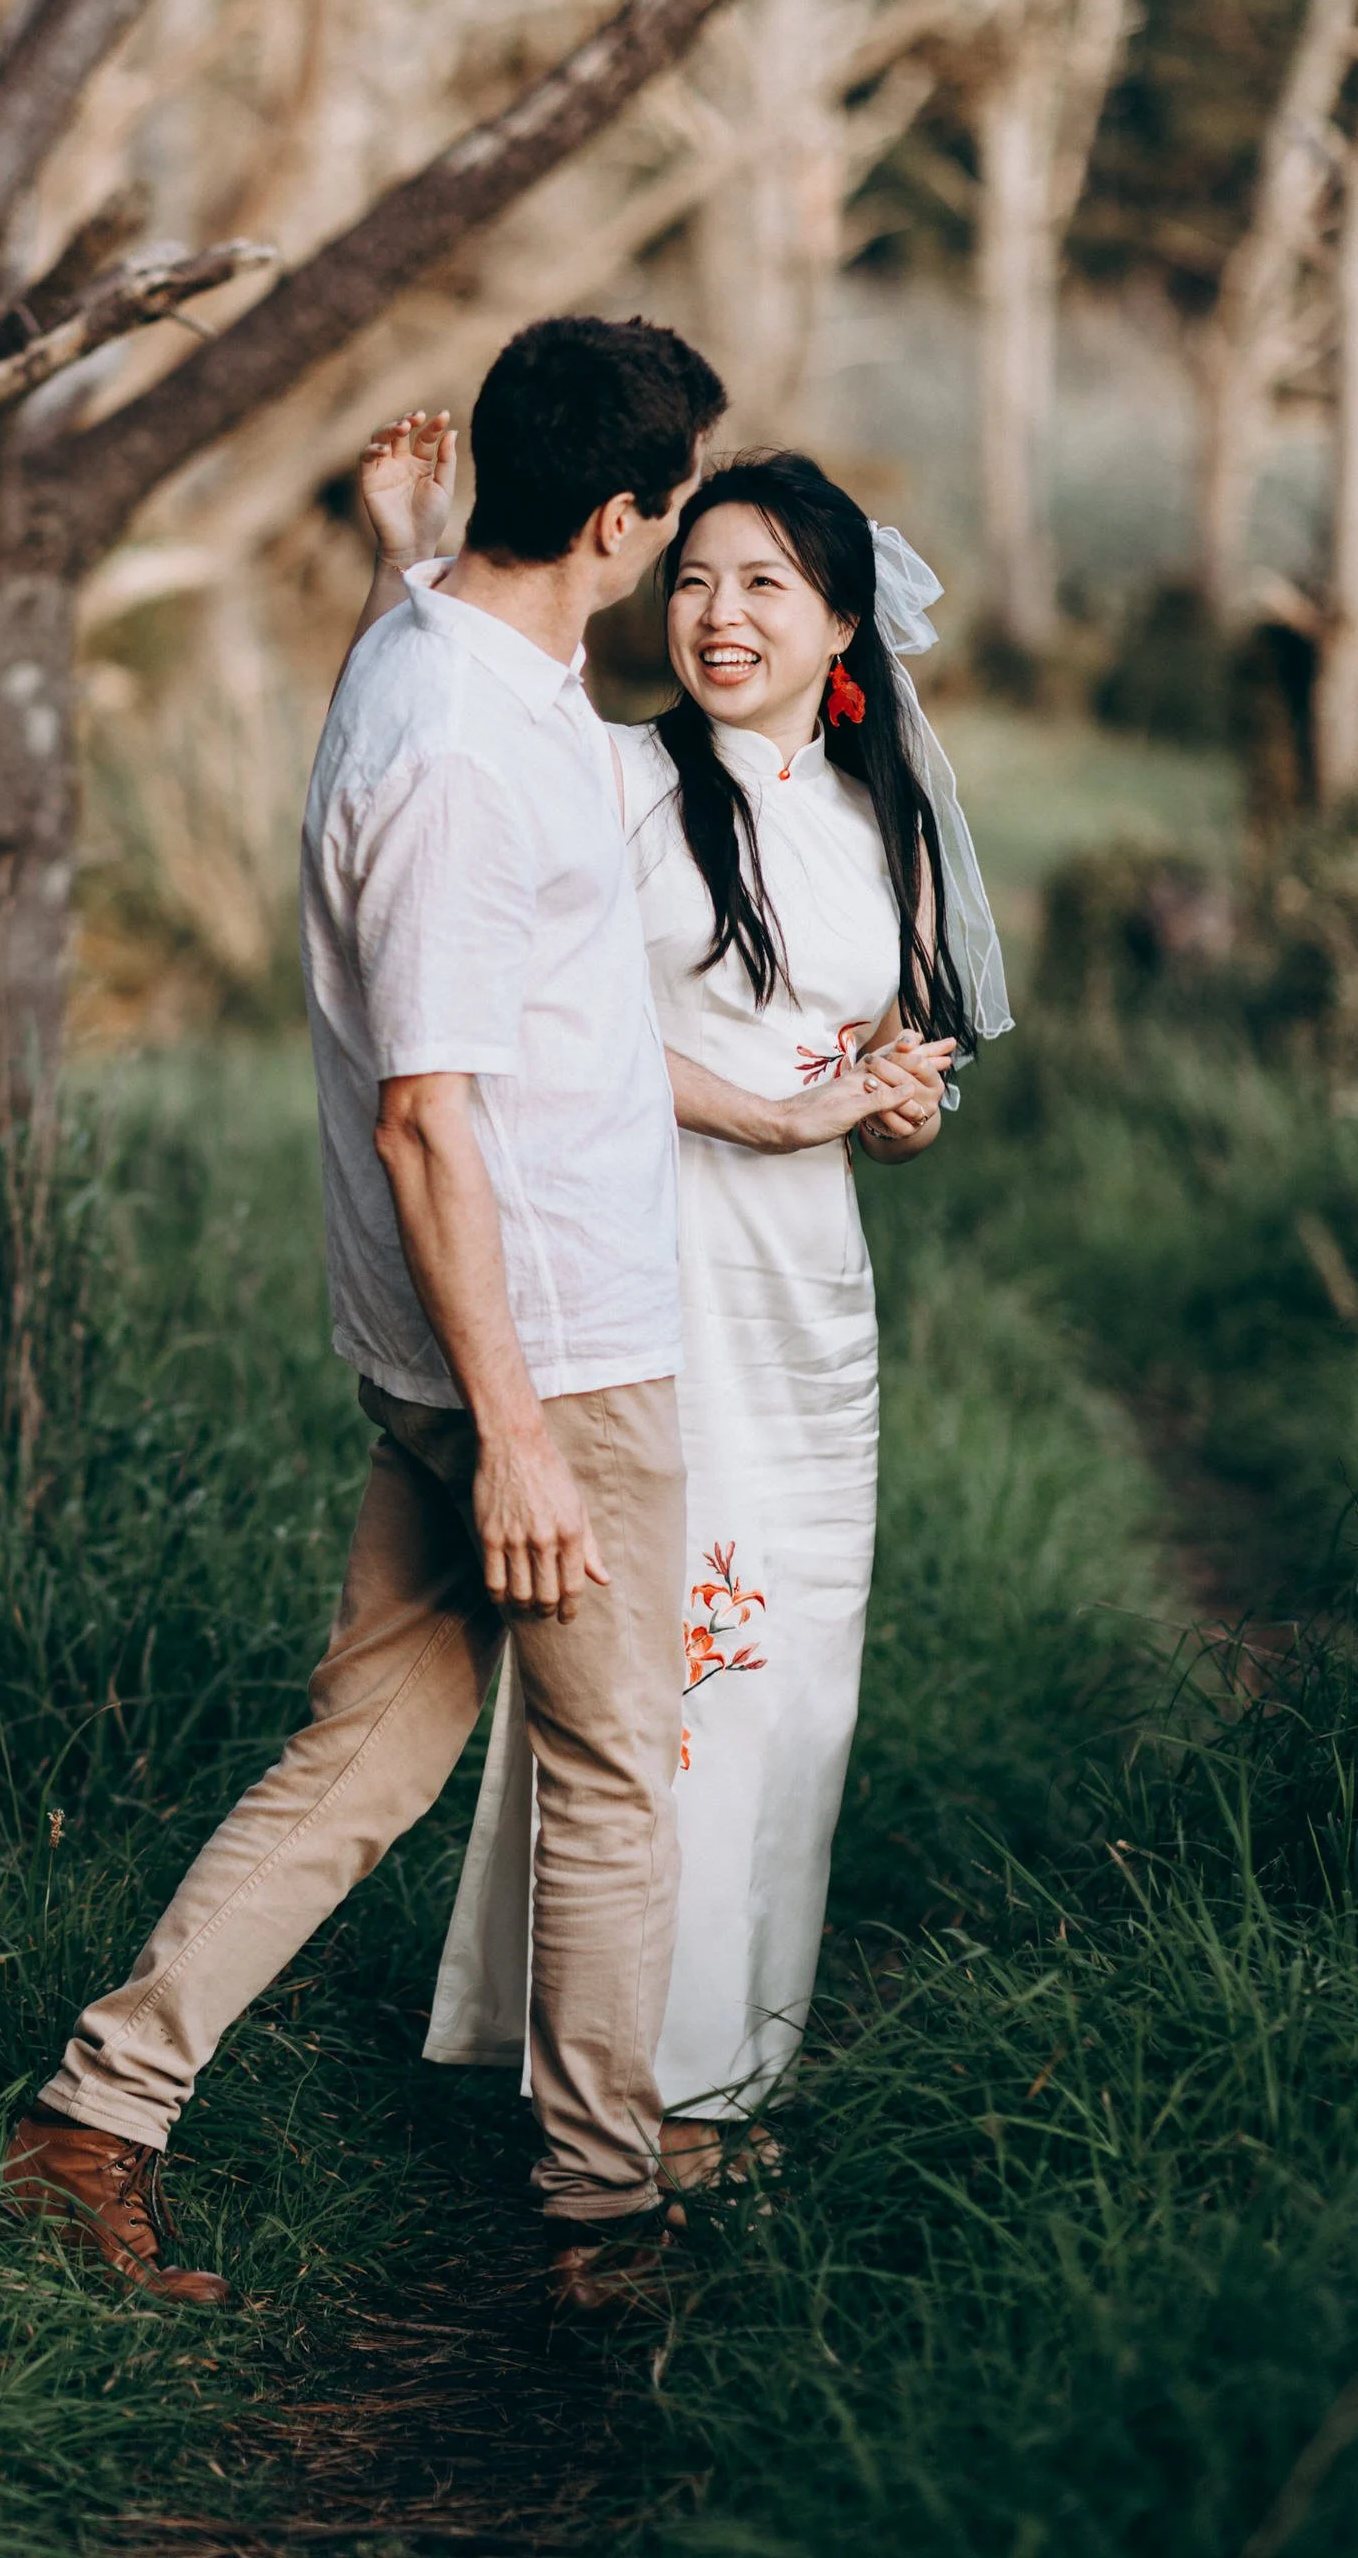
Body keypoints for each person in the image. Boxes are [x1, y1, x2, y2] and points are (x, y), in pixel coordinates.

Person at [1, 314, 727, 2311]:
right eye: (668, 521)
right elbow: (425, 1122)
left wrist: (410, 540)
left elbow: (452, 645)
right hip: (543, 1364)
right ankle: (603, 2216)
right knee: (604, 1772)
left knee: (376, 1746)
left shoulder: (437, 649)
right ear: (614, 518)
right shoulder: (456, 752)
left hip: (478, 1355)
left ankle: (92, 2115)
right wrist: (514, 1433)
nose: (674, 555)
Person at [378, 445, 1011, 2183]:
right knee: (678, 1673)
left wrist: (891, 1104)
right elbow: (527, 1020)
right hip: (648, 1264)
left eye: (764, 589)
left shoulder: (877, 817)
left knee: (794, 1671)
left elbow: (891, 1065)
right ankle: (623, 2083)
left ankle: (731, 2069)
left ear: (839, 629)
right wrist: (764, 1110)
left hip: (812, 1287)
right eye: (696, 579)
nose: (717, 617)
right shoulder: (617, 776)